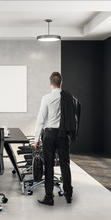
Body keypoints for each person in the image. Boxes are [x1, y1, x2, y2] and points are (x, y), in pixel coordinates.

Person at [34, 71, 80, 206]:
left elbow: (41, 120)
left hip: (49, 135)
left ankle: (49, 197)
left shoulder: (46, 98)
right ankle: (68, 195)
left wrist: (36, 138)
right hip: (63, 135)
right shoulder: (69, 97)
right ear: (61, 83)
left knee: (49, 165)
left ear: (50, 83)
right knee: (65, 164)